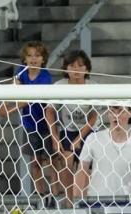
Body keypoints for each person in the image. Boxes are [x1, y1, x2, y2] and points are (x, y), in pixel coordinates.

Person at [0, 42, 56, 197]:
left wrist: (11, 109)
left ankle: (56, 193)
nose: (33, 59)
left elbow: (32, 97)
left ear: (43, 59)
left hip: (47, 122)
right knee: (35, 159)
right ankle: (40, 193)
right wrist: (4, 105)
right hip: (30, 123)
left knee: (51, 160)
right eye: (29, 55)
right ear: (24, 58)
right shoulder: (22, 71)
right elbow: (14, 87)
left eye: (37, 55)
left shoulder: (45, 76)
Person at [48, 50, 98, 201]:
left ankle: (85, 203)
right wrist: (54, 137)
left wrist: (80, 138)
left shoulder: (93, 87)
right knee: (66, 162)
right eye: (72, 65)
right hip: (68, 130)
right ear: (65, 69)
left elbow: (94, 115)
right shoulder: (59, 86)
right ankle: (69, 204)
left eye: (81, 65)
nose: (76, 69)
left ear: (87, 69)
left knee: (85, 167)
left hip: (89, 131)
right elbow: (49, 112)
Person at [74, 106, 131, 200]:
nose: (116, 115)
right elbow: (81, 171)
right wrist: (77, 203)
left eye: (120, 111)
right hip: (96, 204)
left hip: (125, 206)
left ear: (130, 113)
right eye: (112, 112)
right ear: (107, 114)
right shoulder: (93, 139)